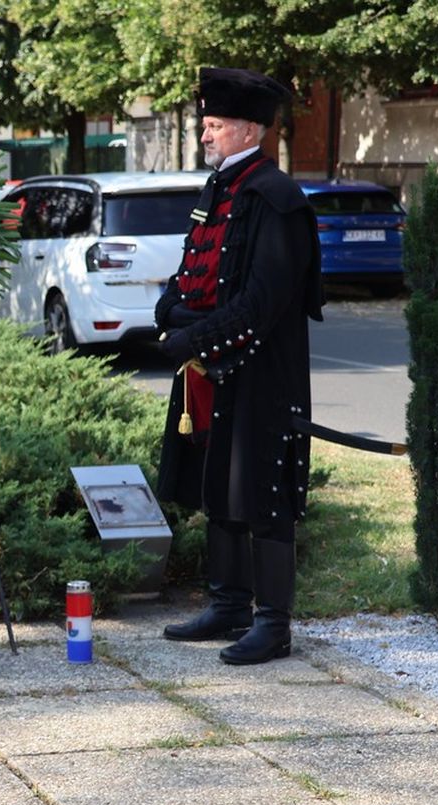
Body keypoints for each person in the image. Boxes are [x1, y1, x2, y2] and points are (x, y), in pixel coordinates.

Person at [154, 66, 323, 666]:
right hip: (213, 365)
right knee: (217, 480)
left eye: (216, 125)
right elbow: (196, 267)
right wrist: (170, 307)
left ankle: (273, 624)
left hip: (260, 369)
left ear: (250, 129)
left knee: (264, 492)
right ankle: (228, 604)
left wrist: (194, 338)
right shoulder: (218, 190)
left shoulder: (276, 198)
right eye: (205, 124)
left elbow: (265, 301)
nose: (206, 135)